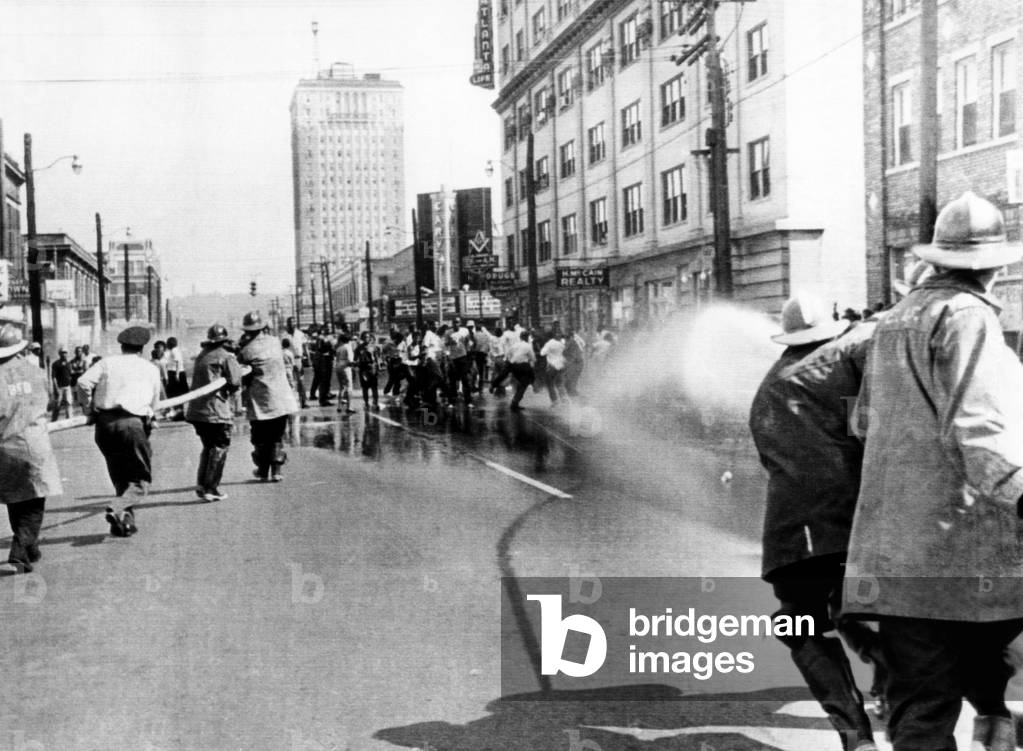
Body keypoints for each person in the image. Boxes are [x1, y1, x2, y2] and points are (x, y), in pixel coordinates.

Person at [844, 191, 1023, 751]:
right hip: (959, 556)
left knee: (920, 711)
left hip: (892, 559)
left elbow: (862, 422)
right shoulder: (968, 316)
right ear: (995, 267)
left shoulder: (894, 320)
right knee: (990, 682)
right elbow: (982, 432)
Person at [749, 292, 883, 751]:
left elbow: (772, 460)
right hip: (851, 523)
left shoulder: (770, 385)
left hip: (790, 533)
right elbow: (867, 434)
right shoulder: (847, 363)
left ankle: (855, 735)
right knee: (860, 611)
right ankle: (890, 684)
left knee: (799, 625)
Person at [76, 326, 162, 537]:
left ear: (122, 346)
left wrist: (88, 408)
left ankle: (122, 523)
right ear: (142, 348)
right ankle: (116, 509)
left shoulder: (107, 362)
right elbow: (154, 404)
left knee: (121, 478)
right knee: (140, 482)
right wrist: (152, 416)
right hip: (132, 425)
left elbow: (82, 382)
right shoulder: (150, 369)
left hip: (105, 425)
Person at [0, 324, 61, 573]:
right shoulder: (36, 372)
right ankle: (20, 551)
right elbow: (53, 401)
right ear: (20, 349)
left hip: (4, 446)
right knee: (35, 500)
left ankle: (30, 546)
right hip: (33, 442)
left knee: (16, 498)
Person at [235, 312, 298, 482]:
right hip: (281, 397)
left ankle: (263, 470)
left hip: (260, 400)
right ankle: (276, 470)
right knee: (276, 435)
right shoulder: (276, 342)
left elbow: (240, 374)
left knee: (260, 437)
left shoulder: (246, 350)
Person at [185, 324, 243, 502]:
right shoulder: (226, 357)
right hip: (216, 410)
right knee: (219, 447)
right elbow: (234, 382)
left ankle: (202, 485)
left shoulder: (202, 356)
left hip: (197, 411)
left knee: (208, 447)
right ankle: (211, 488)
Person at [506, 330, 536, 412]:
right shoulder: (528, 346)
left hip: (514, 367)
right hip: (523, 368)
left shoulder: (515, 345)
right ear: (527, 338)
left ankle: (515, 401)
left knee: (519, 384)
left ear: (520, 337)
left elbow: (508, 354)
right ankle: (514, 402)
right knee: (523, 385)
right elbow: (533, 358)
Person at [284, 317, 308, 409]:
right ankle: (290, 403)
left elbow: (305, 346)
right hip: (288, 360)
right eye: (290, 322)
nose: (292, 324)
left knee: (301, 381)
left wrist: (307, 357)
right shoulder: (284, 335)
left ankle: (303, 401)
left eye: (293, 322)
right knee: (289, 382)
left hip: (298, 359)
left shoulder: (300, 334)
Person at [353, 331, 380, 410]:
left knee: (374, 387)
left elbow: (377, 358)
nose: (366, 339)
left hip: (372, 368)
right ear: (362, 338)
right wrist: (356, 364)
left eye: (367, 337)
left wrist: (378, 368)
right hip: (363, 369)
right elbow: (355, 359)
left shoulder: (374, 347)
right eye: (364, 337)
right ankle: (366, 403)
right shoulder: (359, 348)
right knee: (365, 388)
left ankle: (375, 402)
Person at [539, 331, 568, 404]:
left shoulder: (548, 344)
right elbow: (564, 350)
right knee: (559, 383)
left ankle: (555, 401)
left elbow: (542, 353)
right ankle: (564, 399)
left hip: (552, 366)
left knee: (550, 384)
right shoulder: (560, 343)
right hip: (561, 365)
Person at [50, 347, 74, 421]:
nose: (64, 354)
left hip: (67, 387)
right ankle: (54, 420)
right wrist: (56, 387)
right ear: (59, 354)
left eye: (65, 352)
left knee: (69, 403)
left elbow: (70, 374)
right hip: (59, 387)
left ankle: (69, 420)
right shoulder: (56, 364)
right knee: (57, 405)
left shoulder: (69, 363)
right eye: (62, 353)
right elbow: (53, 377)